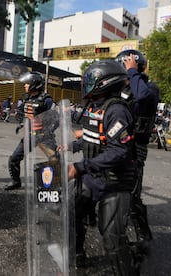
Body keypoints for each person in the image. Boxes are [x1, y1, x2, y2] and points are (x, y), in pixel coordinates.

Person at [68, 60, 139, 274]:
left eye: (90, 80)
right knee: (71, 211)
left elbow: (119, 151)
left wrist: (81, 166)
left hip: (115, 182)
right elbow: (93, 138)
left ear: (103, 82)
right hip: (94, 175)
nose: (86, 84)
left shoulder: (117, 111)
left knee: (111, 236)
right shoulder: (94, 107)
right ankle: (76, 254)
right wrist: (69, 146)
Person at [116, 49, 159, 248]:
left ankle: (143, 236)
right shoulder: (121, 90)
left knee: (132, 197)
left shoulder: (149, 88)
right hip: (116, 145)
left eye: (126, 66)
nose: (123, 70)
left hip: (136, 148)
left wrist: (132, 71)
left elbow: (141, 96)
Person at [6, 71, 54, 190]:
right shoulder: (27, 98)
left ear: (34, 84)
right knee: (14, 159)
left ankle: (57, 185)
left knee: (55, 160)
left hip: (44, 136)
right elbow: (21, 113)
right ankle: (16, 182)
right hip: (30, 135)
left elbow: (56, 119)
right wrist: (21, 122)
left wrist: (48, 130)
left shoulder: (46, 100)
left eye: (27, 83)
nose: (25, 85)